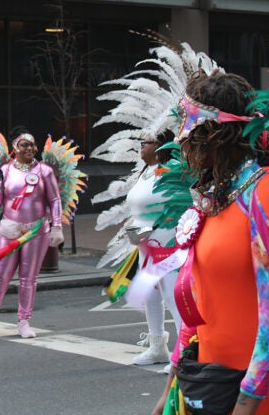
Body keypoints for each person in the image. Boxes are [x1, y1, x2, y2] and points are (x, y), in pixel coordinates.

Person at [151, 72, 269, 415]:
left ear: (215, 134)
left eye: (190, 133)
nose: (183, 143)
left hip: (263, 394)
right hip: (208, 384)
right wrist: (170, 390)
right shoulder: (214, 195)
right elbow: (196, 309)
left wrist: (245, 405)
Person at [0, 127, 63, 339]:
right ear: (15, 148)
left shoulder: (44, 172)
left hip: (36, 231)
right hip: (9, 230)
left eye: (32, 144)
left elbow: (55, 200)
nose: (30, 148)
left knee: (28, 278)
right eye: (25, 145)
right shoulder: (5, 171)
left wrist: (57, 227)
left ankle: (24, 320)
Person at [124, 129, 182, 368]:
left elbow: (179, 204)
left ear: (159, 146)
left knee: (171, 293)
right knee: (151, 294)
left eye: (145, 143)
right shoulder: (147, 171)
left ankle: (185, 350)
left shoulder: (173, 170)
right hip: (146, 242)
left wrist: (157, 227)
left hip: (166, 241)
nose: (141, 146)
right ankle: (157, 346)